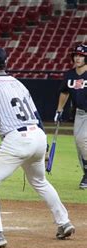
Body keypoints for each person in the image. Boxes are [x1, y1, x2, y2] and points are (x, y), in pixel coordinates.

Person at [0, 47, 75, 248]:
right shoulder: (19, 83)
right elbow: (36, 116)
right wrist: (43, 147)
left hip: (17, 139)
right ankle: (64, 222)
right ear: (5, 63)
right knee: (39, 181)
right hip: (37, 135)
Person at [54, 43, 87, 189]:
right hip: (80, 113)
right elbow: (64, 92)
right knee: (79, 146)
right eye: (76, 55)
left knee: (82, 140)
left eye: (81, 56)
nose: (78, 58)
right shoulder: (70, 74)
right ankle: (86, 174)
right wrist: (59, 110)